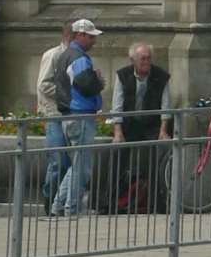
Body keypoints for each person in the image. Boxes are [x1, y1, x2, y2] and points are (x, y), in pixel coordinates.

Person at [107, 42, 172, 211]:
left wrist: (163, 130)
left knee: (158, 157)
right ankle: (110, 201)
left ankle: (156, 203)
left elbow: (166, 106)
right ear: (133, 60)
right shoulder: (123, 75)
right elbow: (117, 105)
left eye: (148, 58)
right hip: (129, 123)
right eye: (142, 58)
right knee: (117, 155)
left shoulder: (161, 76)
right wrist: (118, 132)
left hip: (151, 124)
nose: (146, 62)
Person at [52, 18, 105, 217]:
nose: (94, 41)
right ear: (80, 35)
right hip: (80, 115)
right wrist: (98, 82)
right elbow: (86, 85)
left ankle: (58, 205)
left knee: (76, 164)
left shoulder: (64, 55)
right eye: (91, 37)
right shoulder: (79, 57)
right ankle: (71, 209)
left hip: (68, 115)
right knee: (82, 166)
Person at [36, 17, 74, 215]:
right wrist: (69, 93)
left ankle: (60, 201)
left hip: (71, 113)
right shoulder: (53, 55)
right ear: (68, 35)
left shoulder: (76, 56)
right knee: (58, 160)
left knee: (68, 161)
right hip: (55, 114)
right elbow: (44, 84)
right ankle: (50, 198)